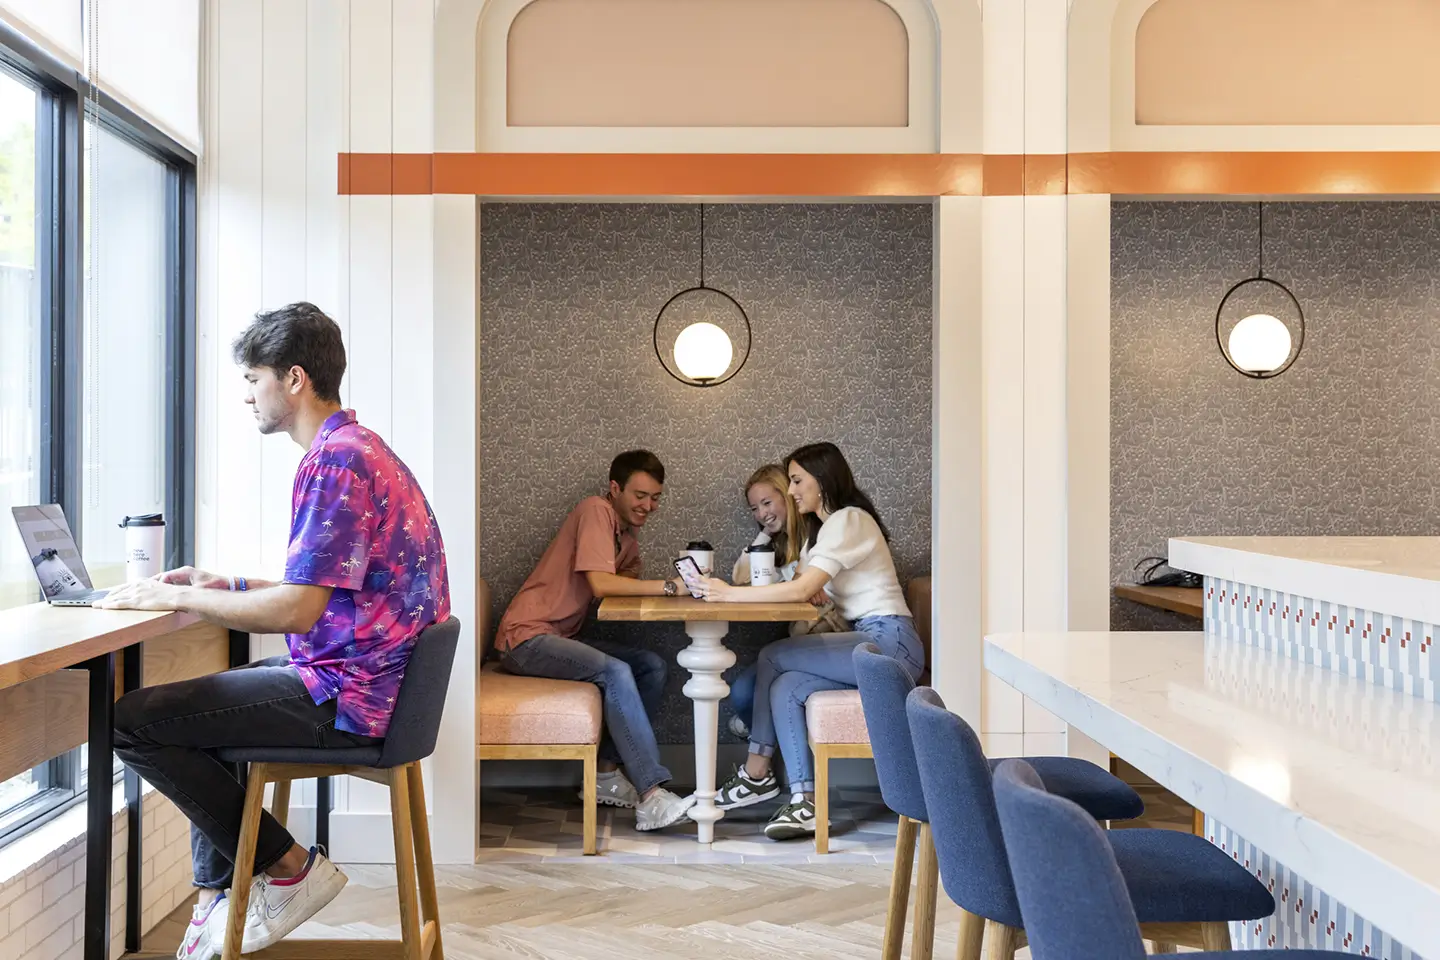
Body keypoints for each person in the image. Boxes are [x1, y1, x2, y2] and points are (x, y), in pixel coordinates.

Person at [96, 302, 450, 958]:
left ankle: (287, 868)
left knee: (129, 722)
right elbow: (314, 592)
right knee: (208, 712)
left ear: (293, 379)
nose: (246, 395)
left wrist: (188, 602)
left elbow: (296, 612)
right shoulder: (360, 448)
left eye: (253, 379)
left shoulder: (336, 462)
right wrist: (212, 584)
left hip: (350, 697)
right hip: (373, 684)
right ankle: (216, 903)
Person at [697, 442, 925, 840]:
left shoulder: (849, 519)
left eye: (798, 480)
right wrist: (804, 583)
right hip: (868, 639)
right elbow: (801, 583)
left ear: (823, 480)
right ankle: (804, 801)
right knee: (785, 685)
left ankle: (756, 774)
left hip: (890, 643)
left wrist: (725, 593)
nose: (792, 490)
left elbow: (800, 589)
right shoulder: (822, 532)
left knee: (772, 657)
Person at [494, 451, 696, 831]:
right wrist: (673, 587)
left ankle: (605, 774)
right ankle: (651, 793)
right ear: (614, 488)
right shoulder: (595, 510)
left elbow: (618, 591)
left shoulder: (626, 538)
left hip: (559, 637)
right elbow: (602, 584)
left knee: (650, 666)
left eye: (655, 498)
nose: (648, 506)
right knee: (615, 671)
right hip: (525, 638)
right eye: (640, 495)